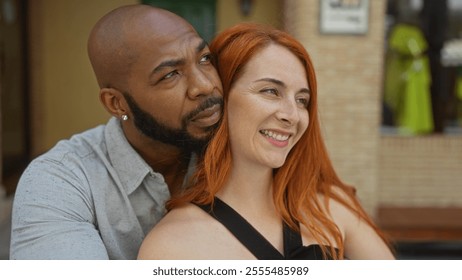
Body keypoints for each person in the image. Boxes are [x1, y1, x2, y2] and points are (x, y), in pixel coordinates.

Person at [138, 23, 395, 260]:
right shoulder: (171, 245)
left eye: (301, 100)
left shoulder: (330, 207)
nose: (292, 116)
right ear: (221, 98)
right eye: (270, 91)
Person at [10, 4, 223, 259]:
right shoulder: (60, 180)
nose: (205, 85)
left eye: (205, 59)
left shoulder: (241, 149)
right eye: (170, 75)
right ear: (117, 103)